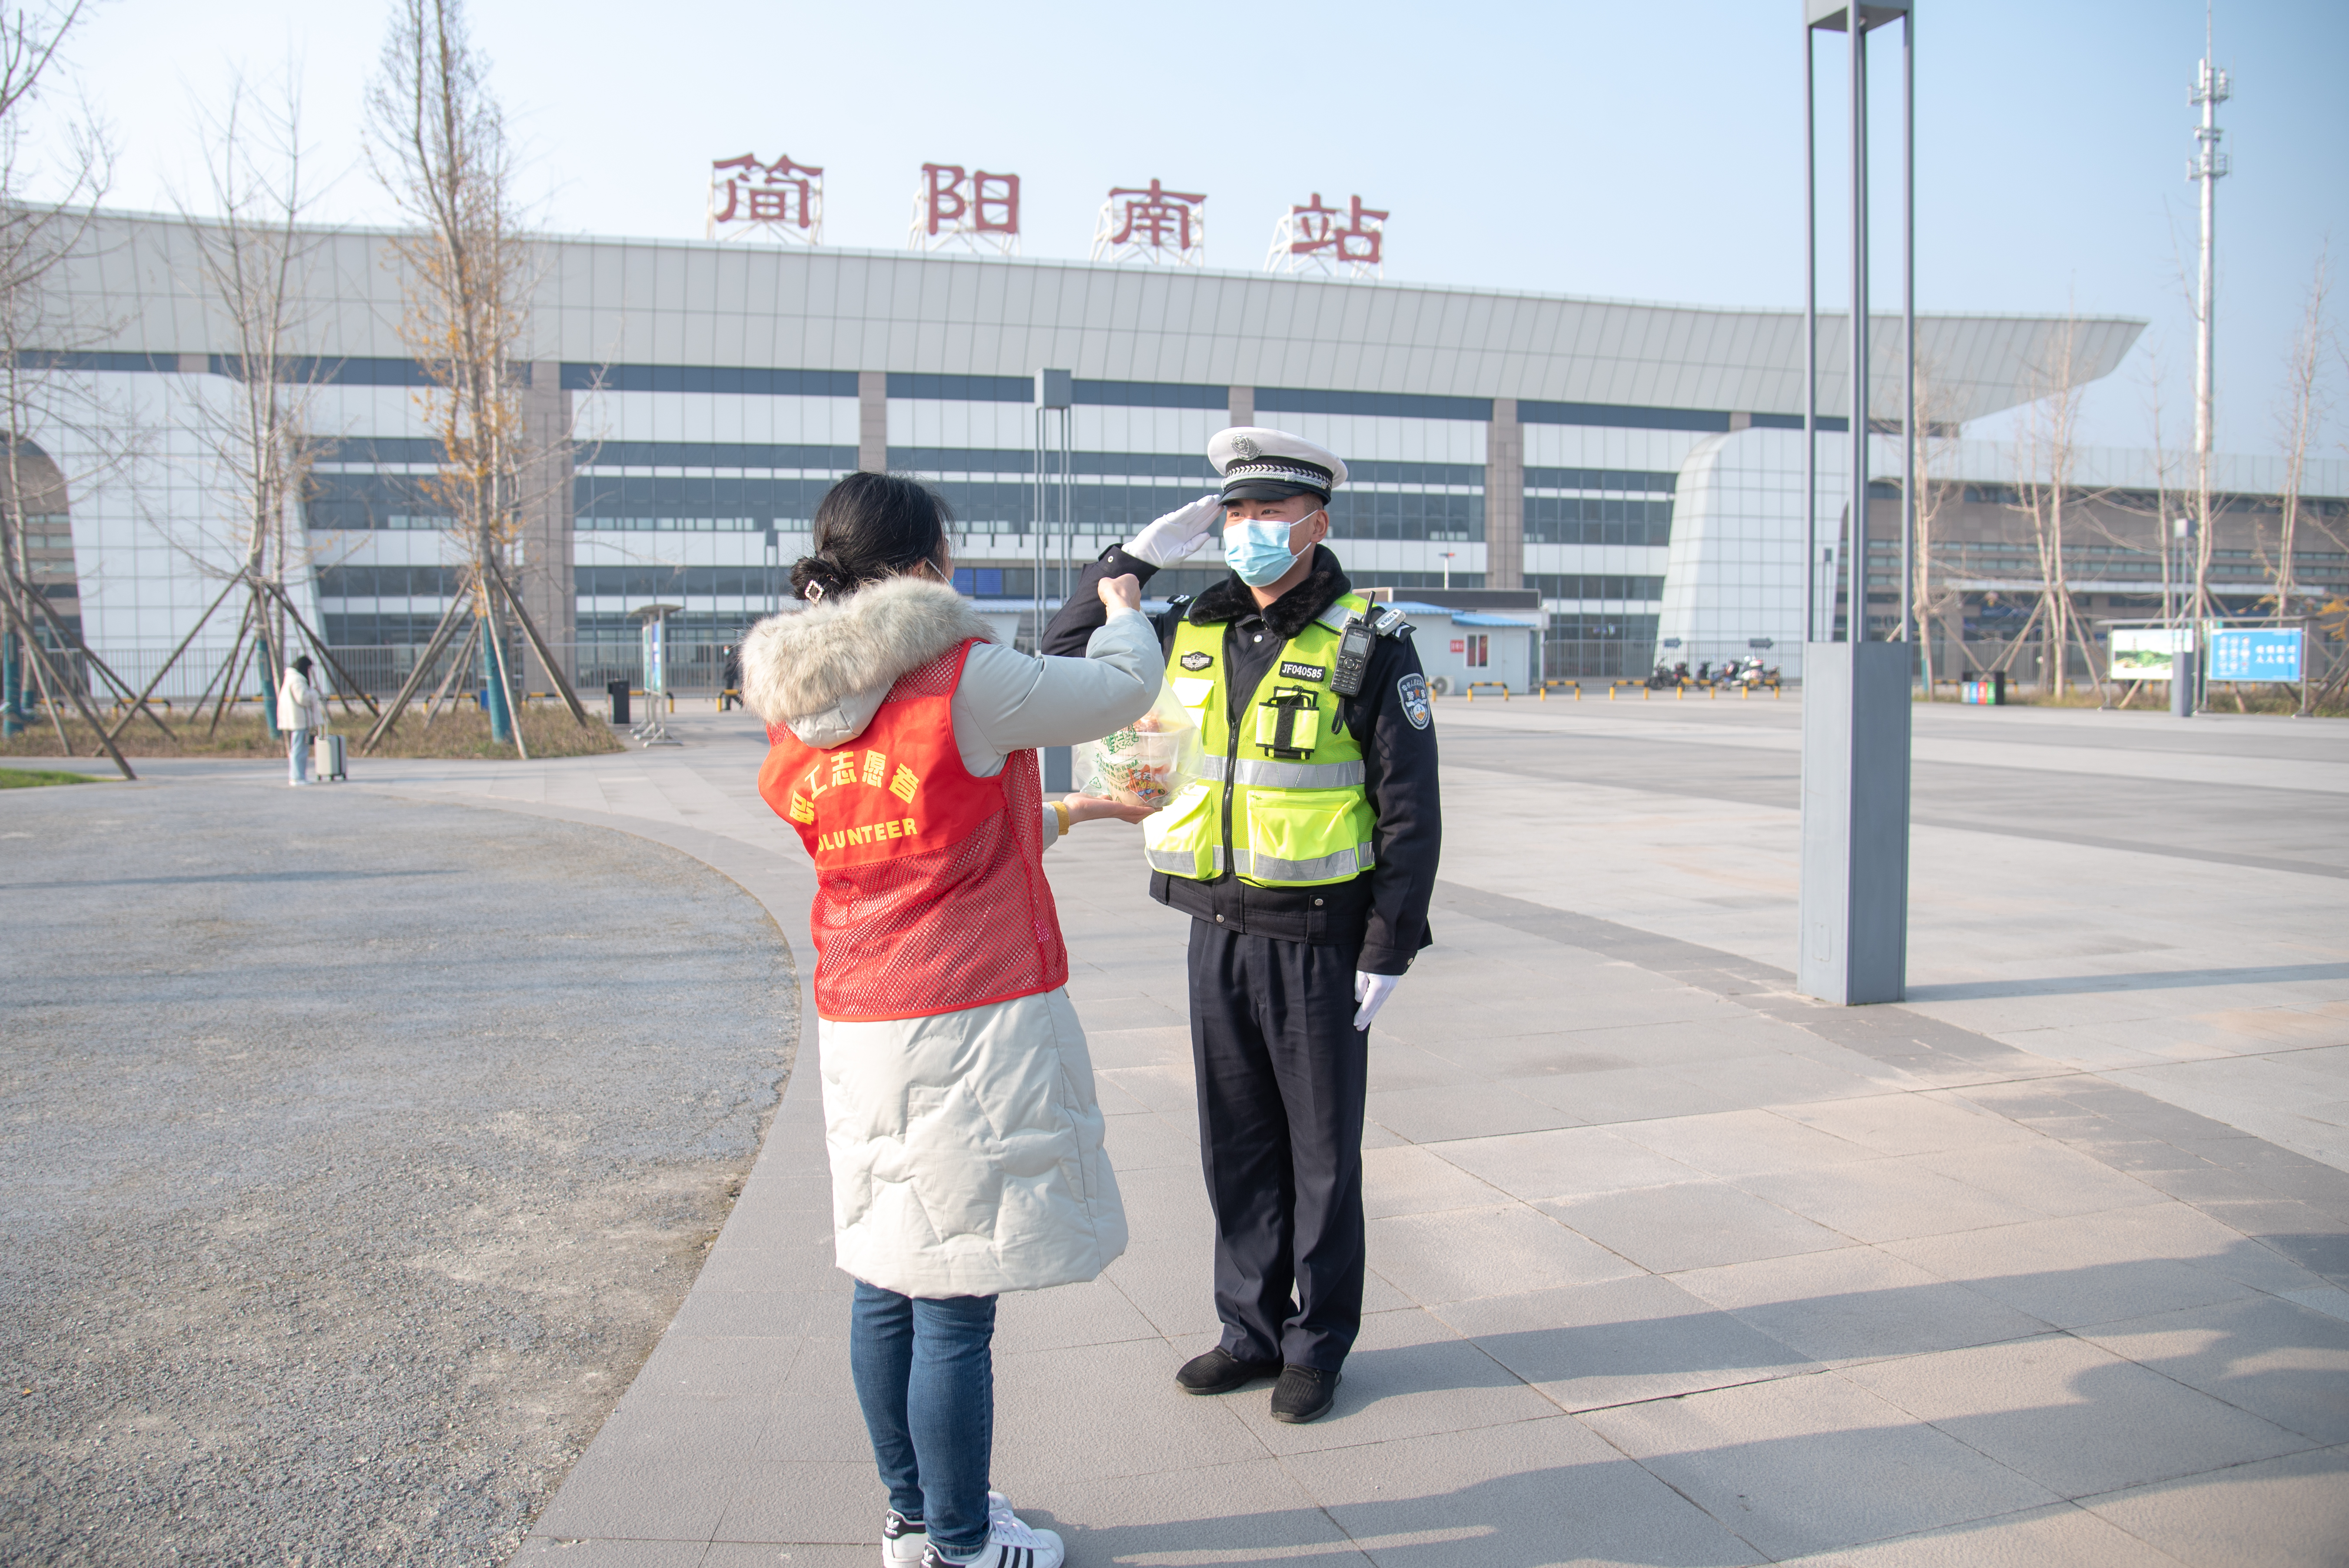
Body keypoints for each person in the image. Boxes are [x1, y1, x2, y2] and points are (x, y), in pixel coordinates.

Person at [742, 471, 1159, 1568]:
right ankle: (968, 1542)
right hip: (967, 1017)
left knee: (885, 1272)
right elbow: (1119, 690)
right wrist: (1124, 606)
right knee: (956, 1295)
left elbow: (929, 837)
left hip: (860, 1019)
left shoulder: (801, 708)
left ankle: (912, 1515)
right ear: (925, 562)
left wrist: (1072, 809)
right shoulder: (960, 677)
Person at [1042, 428, 1441, 1426]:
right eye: (1235, 513)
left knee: (1319, 1153)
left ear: (1316, 522)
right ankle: (1248, 1330)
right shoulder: (1187, 627)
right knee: (1237, 1143)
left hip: (1319, 938)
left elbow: (1410, 805)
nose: (1249, 531)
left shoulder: (1369, 640)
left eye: (1269, 513)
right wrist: (1126, 564)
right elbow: (1055, 655)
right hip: (1212, 925)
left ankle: (1317, 1341)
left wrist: (1391, 941)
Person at [276, 654, 328, 787]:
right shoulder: (298, 680)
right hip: (299, 720)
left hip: (295, 719)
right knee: (300, 749)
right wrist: (314, 693)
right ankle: (297, 777)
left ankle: (298, 776)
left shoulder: (290, 677)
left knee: (297, 748)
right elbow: (303, 698)